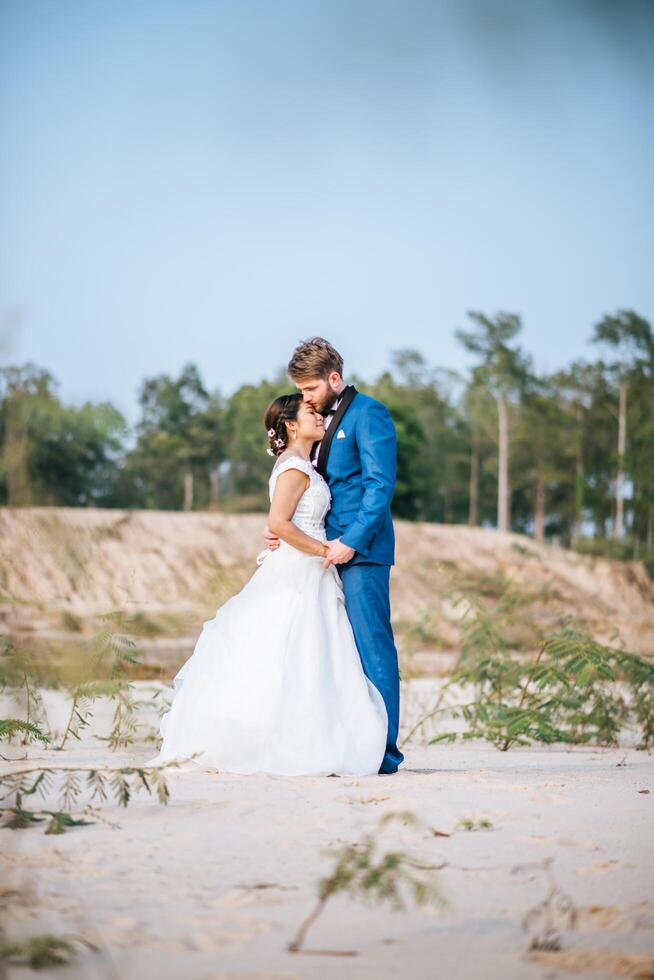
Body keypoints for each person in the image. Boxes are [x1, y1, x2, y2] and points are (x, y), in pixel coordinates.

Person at [146, 392, 387, 776]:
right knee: (291, 649)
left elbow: (283, 521)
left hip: (307, 568)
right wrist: (322, 549)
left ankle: (304, 734)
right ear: (291, 424)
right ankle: (279, 740)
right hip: (300, 568)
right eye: (311, 412)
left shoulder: (302, 464)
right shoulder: (294, 468)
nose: (321, 415)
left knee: (309, 654)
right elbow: (279, 523)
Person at [264, 337, 404, 774]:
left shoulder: (370, 414)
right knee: (335, 654)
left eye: (309, 390)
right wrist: (283, 532)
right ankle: (348, 742)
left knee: (371, 648)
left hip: (360, 553)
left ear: (334, 378)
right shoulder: (319, 425)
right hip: (320, 555)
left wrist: (352, 541)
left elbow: (379, 485)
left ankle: (384, 753)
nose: (305, 398)